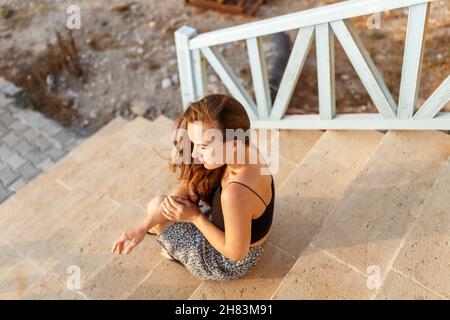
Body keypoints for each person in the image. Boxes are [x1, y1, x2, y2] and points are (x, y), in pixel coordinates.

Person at [112, 94, 275, 281]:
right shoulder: (245, 151)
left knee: (157, 207)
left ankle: (174, 253)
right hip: (238, 229)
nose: (196, 153)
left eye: (204, 146)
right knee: (164, 205)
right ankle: (152, 226)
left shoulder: (235, 193)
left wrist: (195, 218)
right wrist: (141, 227)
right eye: (195, 143)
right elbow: (189, 190)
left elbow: (235, 253)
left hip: (229, 262)